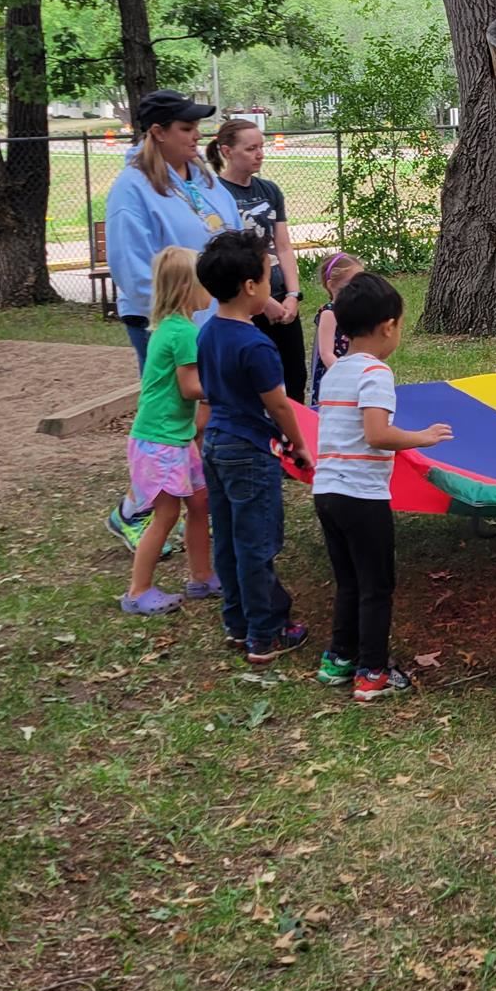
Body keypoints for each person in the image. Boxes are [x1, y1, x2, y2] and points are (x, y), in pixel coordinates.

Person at [103, 89, 240, 550]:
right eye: (185, 128)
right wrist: (176, 319)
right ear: (157, 133)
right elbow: (131, 266)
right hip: (166, 324)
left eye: (195, 126)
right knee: (171, 423)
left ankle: (194, 512)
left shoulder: (200, 177)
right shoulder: (132, 188)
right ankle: (134, 512)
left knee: (204, 419)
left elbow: (227, 231)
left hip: (211, 318)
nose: (195, 135)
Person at [313, 271, 453, 703]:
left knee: (349, 580)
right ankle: (372, 672)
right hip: (362, 497)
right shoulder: (375, 373)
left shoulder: (334, 372)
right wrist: (420, 438)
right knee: (377, 585)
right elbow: (377, 434)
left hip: (327, 493)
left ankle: (339, 658)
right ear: (389, 326)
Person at [195, 229, 314, 663]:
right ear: (251, 287)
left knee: (226, 539)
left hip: (216, 445)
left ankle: (237, 621)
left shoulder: (208, 332)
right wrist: (299, 445)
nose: (273, 282)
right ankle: (266, 633)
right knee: (257, 542)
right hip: (249, 452)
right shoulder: (257, 344)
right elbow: (280, 405)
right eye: (269, 276)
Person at [119, 247, 217, 617]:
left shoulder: (172, 327)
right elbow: (191, 387)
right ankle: (138, 590)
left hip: (174, 437)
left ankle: (202, 575)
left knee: (199, 501)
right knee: (165, 515)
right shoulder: (183, 333)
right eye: (203, 281)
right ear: (187, 288)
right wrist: (227, 387)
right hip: (160, 441)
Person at [207, 119, 306, 404]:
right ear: (227, 151)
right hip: (246, 304)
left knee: (294, 377)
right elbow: (227, 255)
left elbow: (284, 246)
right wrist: (264, 303)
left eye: (261, 147)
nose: (259, 154)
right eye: (250, 148)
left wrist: (292, 295)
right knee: (257, 380)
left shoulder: (269, 190)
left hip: (280, 298)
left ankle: (295, 439)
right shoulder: (217, 194)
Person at [310, 252, 363, 407]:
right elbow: (326, 353)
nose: (357, 290)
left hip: (356, 370)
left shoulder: (356, 309)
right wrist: (345, 374)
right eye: (351, 285)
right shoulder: (330, 313)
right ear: (331, 285)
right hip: (336, 376)